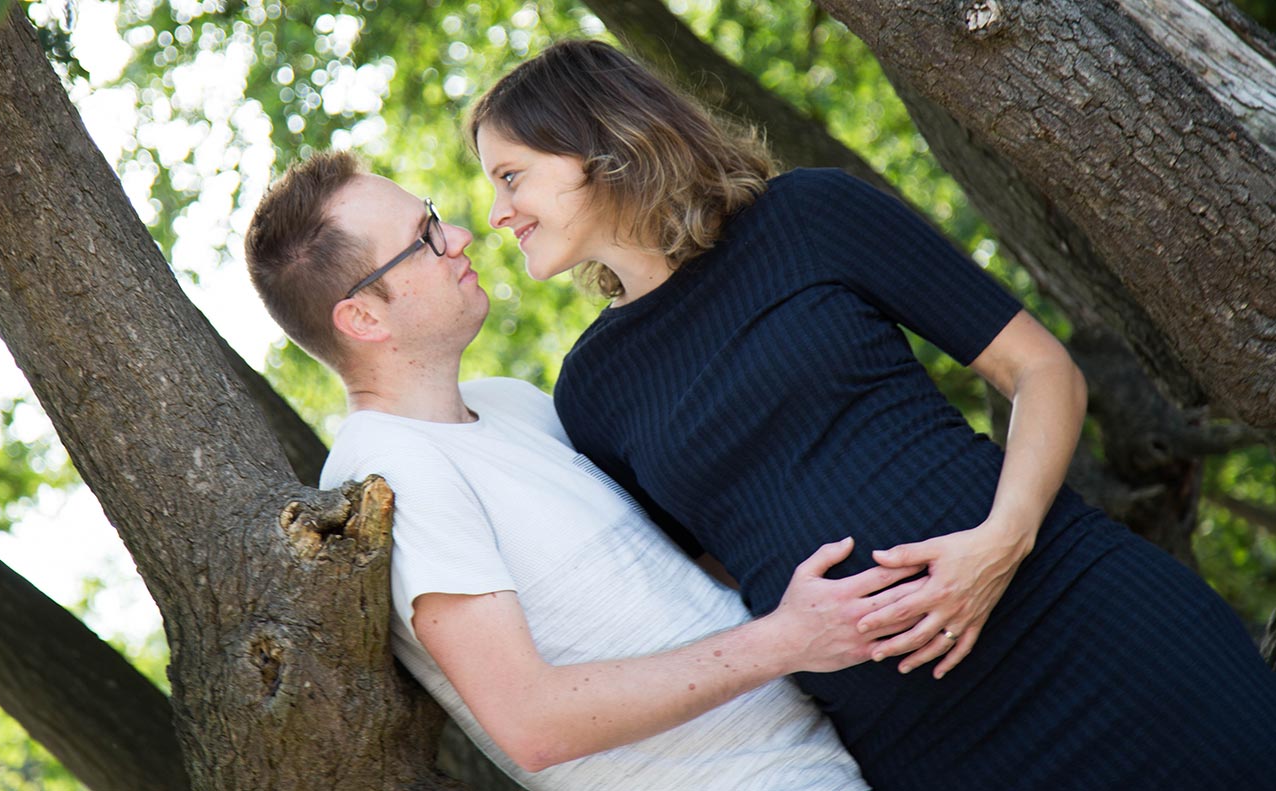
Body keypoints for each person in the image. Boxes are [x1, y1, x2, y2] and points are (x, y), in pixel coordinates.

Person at [468, 39, 1276, 791]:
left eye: (511, 174)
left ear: (601, 144)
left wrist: (1000, 542)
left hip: (1089, 626)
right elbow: (701, 577)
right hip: (929, 745)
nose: (497, 212)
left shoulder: (811, 217)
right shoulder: (590, 389)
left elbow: (1042, 370)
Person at [242, 151, 919, 790]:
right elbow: (530, 720)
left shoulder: (507, 402)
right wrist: (786, 639)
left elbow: (679, 562)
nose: (462, 234)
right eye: (425, 237)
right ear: (362, 315)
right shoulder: (390, 470)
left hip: (835, 752)